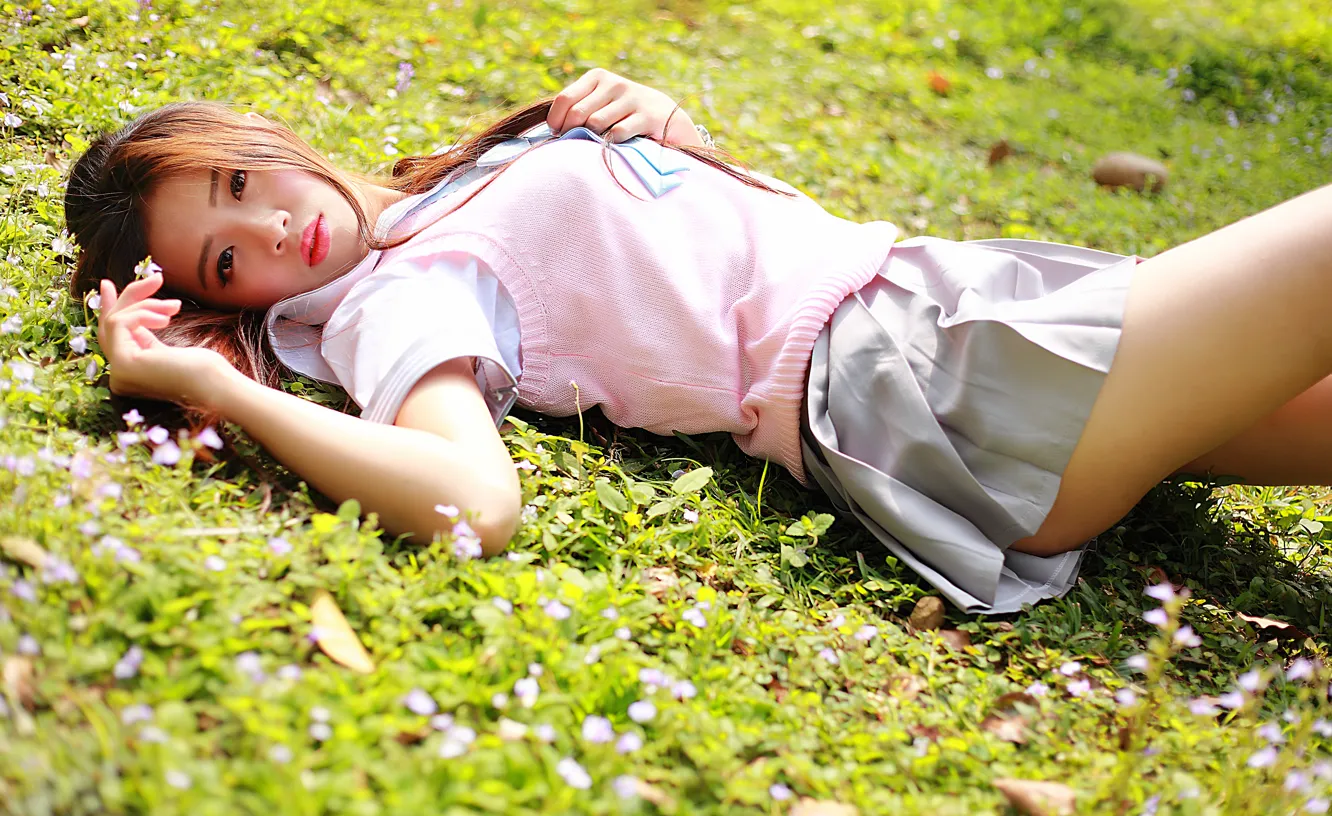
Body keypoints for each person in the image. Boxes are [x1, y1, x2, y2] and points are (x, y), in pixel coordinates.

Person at [62, 69, 1332, 614]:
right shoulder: (404, 297)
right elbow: (472, 504)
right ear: (228, 300)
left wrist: (665, 135)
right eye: (226, 259)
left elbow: (691, 265)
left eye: (239, 183)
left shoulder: (438, 201)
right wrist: (203, 382)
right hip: (930, 381)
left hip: (950, 308)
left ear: (263, 140)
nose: (271, 230)